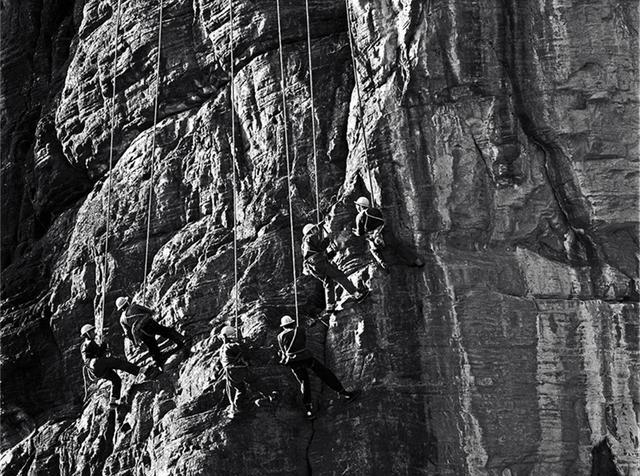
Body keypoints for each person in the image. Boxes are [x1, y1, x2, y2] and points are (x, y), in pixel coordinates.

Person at [277, 315, 358, 419]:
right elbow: (303, 341)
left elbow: (283, 351)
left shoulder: (280, 336)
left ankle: (309, 410)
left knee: (304, 383)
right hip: (306, 358)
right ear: (292, 323)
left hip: (293, 362)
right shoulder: (299, 330)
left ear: (283, 326)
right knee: (324, 373)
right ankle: (344, 393)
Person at [302, 222, 369, 312]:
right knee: (339, 276)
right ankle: (357, 294)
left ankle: (330, 306)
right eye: (314, 229)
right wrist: (327, 238)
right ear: (311, 231)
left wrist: (331, 253)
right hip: (318, 262)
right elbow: (321, 247)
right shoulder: (310, 237)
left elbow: (318, 253)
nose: (316, 231)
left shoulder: (305, 246)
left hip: (313, 267)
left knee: (328, 282)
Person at [116, 296, 189, 370]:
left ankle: (159, 362)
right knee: (165, 332)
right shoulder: (134, 306)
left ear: (121, 308)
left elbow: (128, 333)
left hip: (142, 333)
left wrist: (134, 342)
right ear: (127, 302)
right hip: (150, 324)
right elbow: (149, 311)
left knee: (152, 347)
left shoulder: (122, 319)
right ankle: (181, 341)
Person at [352, 196, 424, 270]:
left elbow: (360, 233)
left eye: (357, 206)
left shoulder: (359, 216)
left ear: (360, 206)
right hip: (386, 232)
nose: (357, 207)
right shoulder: (375, 210)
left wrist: (355, 232)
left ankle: (384, 265)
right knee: (398, 246)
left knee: (374, 250)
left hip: (376, 238)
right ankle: (417, 261)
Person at [80, 324, 140, 407]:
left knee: (116, 379)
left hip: (96, 370)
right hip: (98, 363)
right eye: (92, 332)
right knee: (119, 363)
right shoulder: (89, 343)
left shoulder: (85, 345)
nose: (94, 333)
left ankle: (113, 401)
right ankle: (140, 371)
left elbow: (96, 353)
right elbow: (99, 352)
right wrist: (104, 342)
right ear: (87, 334)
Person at [216, 325, 248, 418]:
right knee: (240, 389)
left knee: (231, 390)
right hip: (235, 370)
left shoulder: (223, 348)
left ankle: (233, 408)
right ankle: (235, 409)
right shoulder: (231, 346)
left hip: (228, 371)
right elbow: (245, 352)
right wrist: (240, 343)